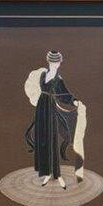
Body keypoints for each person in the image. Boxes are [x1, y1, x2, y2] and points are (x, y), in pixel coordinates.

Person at [22, 51, 87, 189]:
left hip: (50, 108)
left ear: (59, 62)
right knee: (42, 139)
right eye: (54, 61)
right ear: (50, 62)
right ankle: (46, 173)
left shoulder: (58, 78)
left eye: (58, 62)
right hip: (40, 107)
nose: (56, 64)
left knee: (52, 140)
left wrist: (74, 101)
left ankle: (57, 175)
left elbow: (64, 94)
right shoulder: (43, 74)